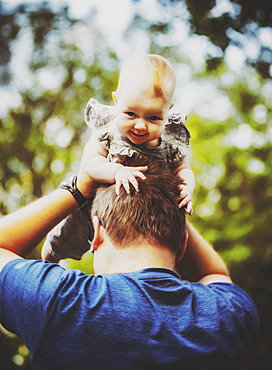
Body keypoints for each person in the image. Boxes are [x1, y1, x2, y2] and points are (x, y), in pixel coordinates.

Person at [0, 153, 259, 369]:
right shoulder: (230, 314)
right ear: (183, 244)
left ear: (98, 233)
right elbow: (215, 273)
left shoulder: (57, 300)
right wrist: (171, 206)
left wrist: (79, 188)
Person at [42, 54, 195, 263]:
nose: (141, 125)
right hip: (97, 201)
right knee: (67, 238)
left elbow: (183, 169)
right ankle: (50, 257)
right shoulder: (109, 133)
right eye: (131, 114)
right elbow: (91, 165)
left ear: (168, 111)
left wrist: (187, 187)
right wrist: (116, 171)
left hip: (142, 211)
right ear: (116, 101)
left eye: (153, 118)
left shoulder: (170, 142)